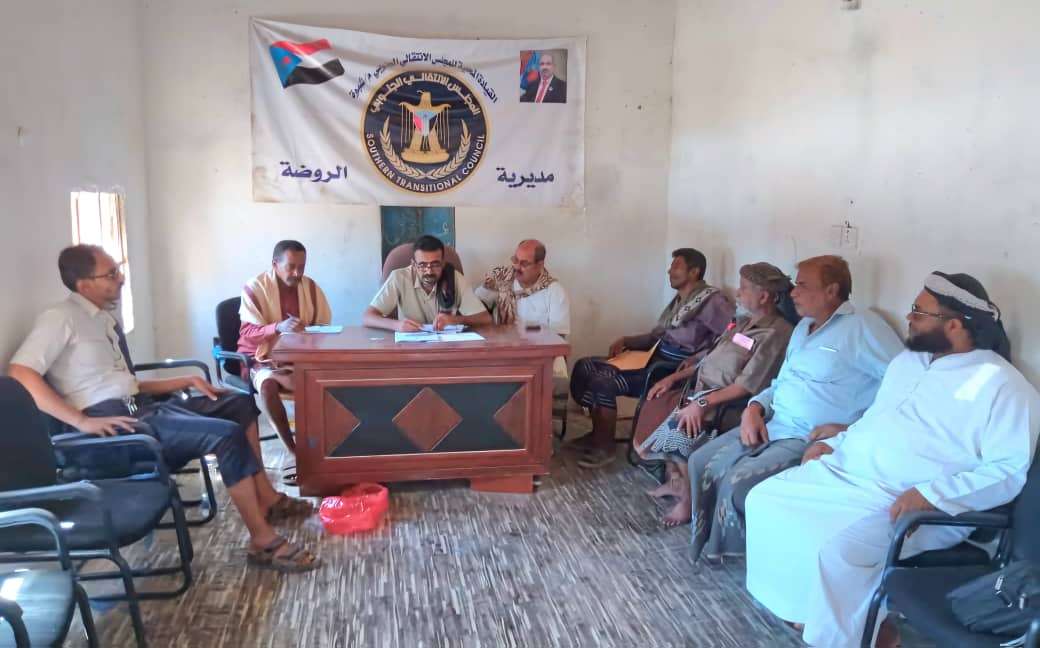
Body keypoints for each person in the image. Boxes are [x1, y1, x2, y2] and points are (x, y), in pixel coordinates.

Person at [745, 272, 1039, 648]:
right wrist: (835, 442)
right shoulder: (908, 362)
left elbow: (1008, 471)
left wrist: (932, 496)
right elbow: (876, 421)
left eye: (919, 311)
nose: (908, 317)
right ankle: (811, 610)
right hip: (848, 473)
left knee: (837, 550)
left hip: (911, 504)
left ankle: (845, 636)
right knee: (764, 499)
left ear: (954, 325)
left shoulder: (1004, 385)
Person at [8, 245, 320, 572]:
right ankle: (262, 542)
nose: (121, 278)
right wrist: (80, 421)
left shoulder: (103, 320)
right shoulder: (60, 318)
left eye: (118, 270)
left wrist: (184, 380)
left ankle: (267, 498)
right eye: (111, 274)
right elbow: (20, 372)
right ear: (84, 285)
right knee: (225, 436)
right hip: (112, 431)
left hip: (139, 409)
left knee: (238, 403)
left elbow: (126, 384)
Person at [684, 255, 903, 563]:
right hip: (773, 422)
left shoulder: (863, 327)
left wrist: (852, 429)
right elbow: (780, 381)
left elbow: (905, 386)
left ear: (831, 290)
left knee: (737, 482)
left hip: (809, 437)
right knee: (700, 460)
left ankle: (736, 554)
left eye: (802, 285)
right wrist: (754, 408)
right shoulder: (802, 329)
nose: (794, 293)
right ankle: (710, 541)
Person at [636, 262, 795, 526]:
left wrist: (702, 403)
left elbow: (747, 386)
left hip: (730, 403)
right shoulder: (742, 323)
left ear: (764, 296)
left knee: (681, 425)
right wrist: (673, 378)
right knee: (658, 400)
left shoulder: (777, 333)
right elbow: (708, 358)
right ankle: (676, 482)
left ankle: (689, 500)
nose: (738, 293)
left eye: (744, 288)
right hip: (699, 389)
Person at [569, 248, 734, 469]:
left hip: (670, 370)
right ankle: (597, 433)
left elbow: (730, 338)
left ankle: (604, 447)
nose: (670, 271)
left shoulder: (712, 301)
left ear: (694, 272)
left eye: (676, 267)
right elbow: (658, 336)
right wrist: (627, 340)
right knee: (585, 367)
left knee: (603, 381)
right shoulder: (682, 301)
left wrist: (698, 358)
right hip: (653, 358)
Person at [238, 239, 331, 484]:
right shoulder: (255, 288)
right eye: (291, 267)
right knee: (268, 386)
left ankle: (323, 449)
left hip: (298, 356)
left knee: (328, 379)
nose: (297, 273)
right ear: (275, 264)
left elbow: (323, 326)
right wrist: (278, 327)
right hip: (261, 358)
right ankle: (293, 451)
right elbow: (247, 332)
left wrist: (308, 333)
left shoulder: (310, 288)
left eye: (302, 267)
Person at [475, 238, 571, 377]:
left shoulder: (555, 292)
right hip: (503, 353)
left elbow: (557, 337)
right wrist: (486, 287)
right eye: (515, 260)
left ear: (540, 265)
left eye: (524, 263)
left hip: (540, 359)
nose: (517, 267)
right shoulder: (504, 281)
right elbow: (475, 305)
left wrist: (521, 333)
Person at [363, 235, 491, 332]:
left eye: (435, 264)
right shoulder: (399, 277)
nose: (429, 271)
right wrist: (396, 325)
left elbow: (485, 318)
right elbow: (368, 317)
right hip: (409, 347)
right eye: (422, 265)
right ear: (414, 264)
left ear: (443, 263)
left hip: (447, 347)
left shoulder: (454, 277)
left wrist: (456, 320)